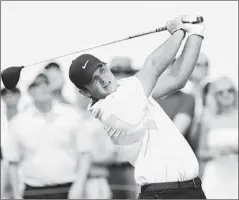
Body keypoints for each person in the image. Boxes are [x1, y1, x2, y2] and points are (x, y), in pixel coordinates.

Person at [69, 15, 206, 199]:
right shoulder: (111, 108)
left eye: (102, 69)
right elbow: (153, 65)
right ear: (85, 93)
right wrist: (178, 30)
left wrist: (196, 32)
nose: (104, 78)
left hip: (191, 190)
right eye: (93, 80)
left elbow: (176, 78)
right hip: (161, 194)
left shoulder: (129, 88)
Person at [2, 73, 92, 199]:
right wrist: (17, 196)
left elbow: (85, 153)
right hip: (33, 191)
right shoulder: (18, 122)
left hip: (69, 190)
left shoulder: (72, 115)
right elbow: (12, 162)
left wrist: (79, 185)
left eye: (46, 83)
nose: (44, 87)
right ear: (29, 91)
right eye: (37, 84)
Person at [198, 77, 238, 199]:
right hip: (214, 176)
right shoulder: (207, 118)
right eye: (221, 92)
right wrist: (214, 153)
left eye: (230, 90)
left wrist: (235, 149)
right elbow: (200, 152)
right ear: (214, 96)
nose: (226, 95)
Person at [108, 57, 140, 199]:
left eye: (125, 72)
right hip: (107, 169)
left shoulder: (140, 102)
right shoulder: (99, 102)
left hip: (132, 168)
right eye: (115, 72)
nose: (120, 76)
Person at [75, 92, 116, 199]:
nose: (82, 98)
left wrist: (85, 159)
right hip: (71, 181)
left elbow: (110, 155)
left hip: (95, 180)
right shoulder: (71, 118)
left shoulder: (101, 122)